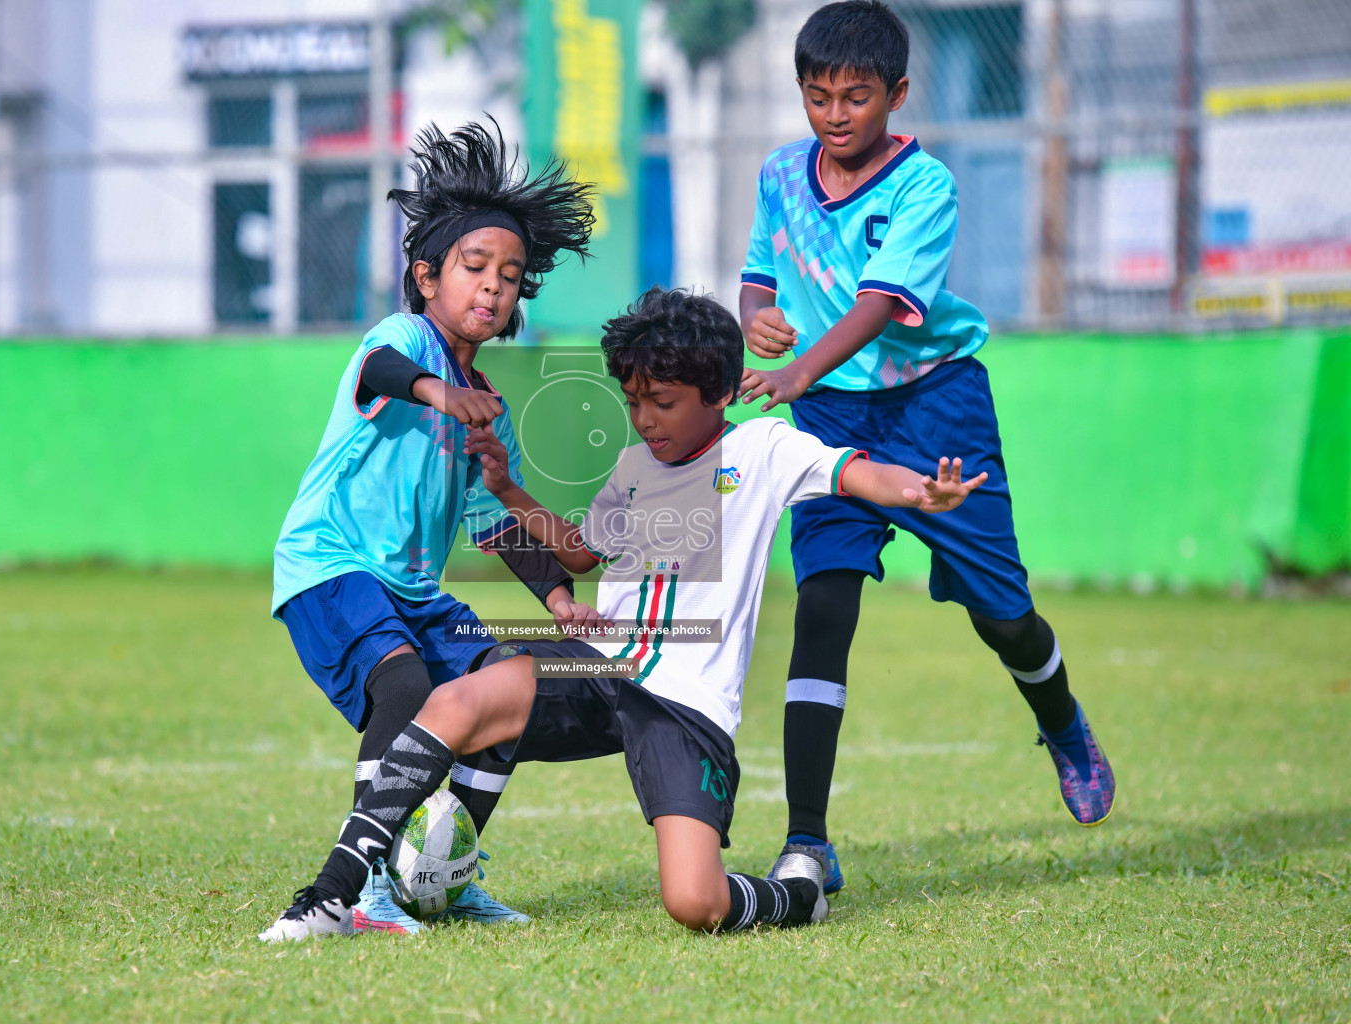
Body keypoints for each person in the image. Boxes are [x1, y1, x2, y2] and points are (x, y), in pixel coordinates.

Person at [258, 286, 985, 941]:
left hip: (685, 706)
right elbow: (580, 554)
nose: (645, 419)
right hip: (600, 668)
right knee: (456, 696)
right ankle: (337, 894)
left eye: (662, 403)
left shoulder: (764, 448)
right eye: (634, 401)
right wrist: (509, 491)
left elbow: (860, 474)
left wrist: (922, 492)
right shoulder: (634, 467)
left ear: (722, 390)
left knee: (694, 904)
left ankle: (795, 894)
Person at [735, 0, 1115, 896]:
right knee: (823, 607)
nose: (836, 113)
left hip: (937, 407)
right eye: (819, 95)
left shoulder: (924, 188)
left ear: (897, 95)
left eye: (857, 96)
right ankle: (807, 842)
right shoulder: (781, 174)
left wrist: (791, 376)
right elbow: (758, 275)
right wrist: (759, 322)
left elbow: (876, 307)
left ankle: (1059, 721)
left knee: (1003, 613)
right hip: (830, 414)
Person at [266, 120, 604, 932]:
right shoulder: (402, 341)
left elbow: (497, 524)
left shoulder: (488, 405)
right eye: (475, 267)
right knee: (409, 689)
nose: (494, 287)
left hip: (414, 590)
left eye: (511, 276)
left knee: (500, 691)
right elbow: (387, 373)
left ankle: (438, 883)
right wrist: (440, 393)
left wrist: (558, 601)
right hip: (331, 566)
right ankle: (360, 891)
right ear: (426, 276)